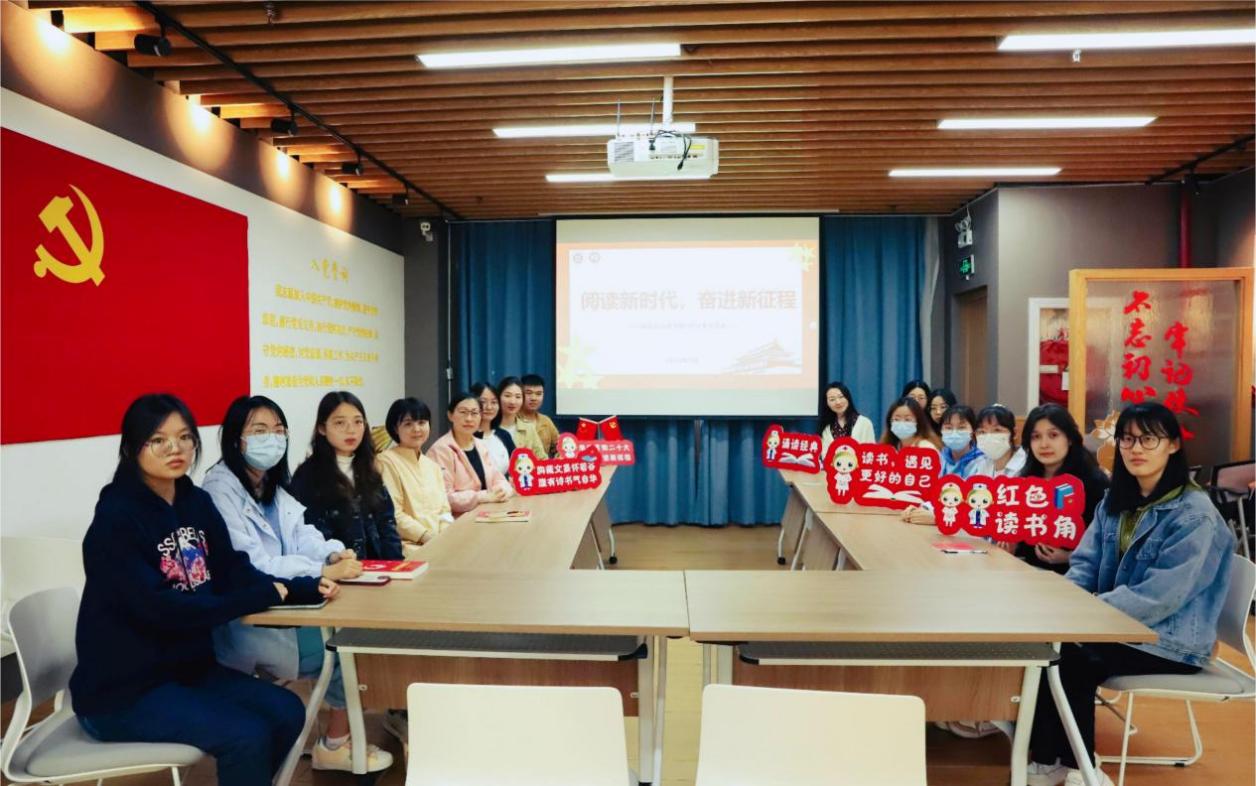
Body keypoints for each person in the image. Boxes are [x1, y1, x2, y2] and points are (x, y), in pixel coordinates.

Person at [70, 394, 329, 786]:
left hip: (188, 672)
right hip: (123, 692)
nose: (175, 448)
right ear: (131, 447)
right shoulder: (116, 519)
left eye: (185, 437)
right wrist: (261, 595)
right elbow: (163, 610)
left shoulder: (195, 502)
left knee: (287, 711)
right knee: (246, 735)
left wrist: (303, 589)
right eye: (158, 440)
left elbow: (231, 569)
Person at [1027, 403, 1234, 786]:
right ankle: (1046, 758)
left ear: (1173, 445)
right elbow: (1085, 564)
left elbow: (1160, 597)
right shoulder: (1116, 501)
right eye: (1127, 439)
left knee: (1072, 657)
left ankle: (1082, 769)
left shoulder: (1195, 514)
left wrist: (1086, 614)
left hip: (1170, 640)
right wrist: (1068, 606)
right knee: (1043, 646)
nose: (1136, 448)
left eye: (1148, 439)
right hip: (1119, 626)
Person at [204, 395, 392, 774]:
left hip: (290, 603)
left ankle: (337, 739)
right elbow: (253, 565)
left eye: (278, 431)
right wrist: (318, 571)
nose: (272, 439)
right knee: (346, 648)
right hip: (254, 618)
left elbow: (300, 533)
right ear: (235, 439)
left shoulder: (270, 483)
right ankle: (335, 744)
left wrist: (331, 554)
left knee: (354, 637)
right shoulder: (219, 490)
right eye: (260, 431)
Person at [290, 391, 403, 560]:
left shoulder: (369, 470)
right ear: (322, 428)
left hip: (379, 569)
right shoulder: (307, 476)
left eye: (358, 422)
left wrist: (396, 566)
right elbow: (312, 537)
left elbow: (387, 525)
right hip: (336, 568)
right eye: (340, 423)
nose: (351, 430)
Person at [1010, 404, 1112, 573]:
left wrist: (1069, 557)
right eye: (1036, 437)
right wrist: (1012, 547)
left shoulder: (1093, 483)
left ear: (1069, 438)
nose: (1044, 444)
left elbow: (1107, 546)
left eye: (1053, 435)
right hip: (1028, 573)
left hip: (1076, 577)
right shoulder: (1024, 481)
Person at [377, 397, 454, 557]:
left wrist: (444, 538)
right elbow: (394, 514)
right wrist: (428, 537)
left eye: (422, 422)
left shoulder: (432, 466)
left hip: (439, 544)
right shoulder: (385, 461)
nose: (417, 429)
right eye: (408, 424)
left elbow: (444, 510)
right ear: (395, 428)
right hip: (407, 549)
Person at [429, 391, 514, 515]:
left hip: (487, 514)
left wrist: (502, 491)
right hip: (456, 520)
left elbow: (498, 478)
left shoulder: (481, 445)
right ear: (450, 415)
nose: (469, 419)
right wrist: (481, 497)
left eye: (474, 413)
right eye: (463, 412)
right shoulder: (440, 450)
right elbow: (444, 497)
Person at [470, 380, 516, 475]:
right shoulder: (466, 437)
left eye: (494, 402)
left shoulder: (504, 435)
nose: (489, 407)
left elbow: (517, 466)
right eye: (483, 402)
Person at [496, 375, 547, 457]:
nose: (512, 401)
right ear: (498, 397)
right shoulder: (488, 428)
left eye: (518, 397)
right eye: (507, 396)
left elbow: (542, 458)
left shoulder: (528, 428)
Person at [973, 403, 1027, 477]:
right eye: (982, 432)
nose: (989, 437)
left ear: (1014, 433)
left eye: (997, 430)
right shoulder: (981, 463)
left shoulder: (1026, 465)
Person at [818, 381, 876, 449]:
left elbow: (870, 450)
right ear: (827, 404)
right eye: (832, 399)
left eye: (841, 397)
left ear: (848, 398)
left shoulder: (864, 423)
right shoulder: (826, 428)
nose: (838, 402)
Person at [520, 373, 559, 458]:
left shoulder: (546, 421)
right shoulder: (513, 420)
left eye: (538, 394)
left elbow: (559, 447)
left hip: (543, 465)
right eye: (529, 393)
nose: (534, 398)